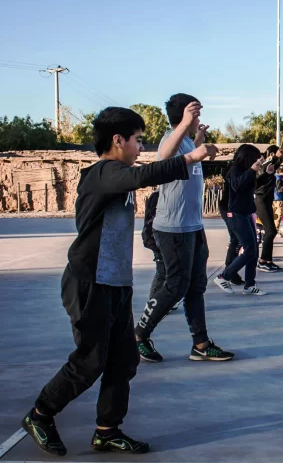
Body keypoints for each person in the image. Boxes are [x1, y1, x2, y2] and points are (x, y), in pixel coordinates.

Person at [21, 107, 218, 457]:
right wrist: (190, 156)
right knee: (90, 360)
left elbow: (147, 172)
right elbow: (146, 176)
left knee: (124, 359)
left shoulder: (117, 172)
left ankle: (107, 430)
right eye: (138, 140)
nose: (141, 148)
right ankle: (40, 414)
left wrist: (192, 139)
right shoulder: (103, 173)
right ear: (118, 140)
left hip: (114, 281)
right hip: (88, 282)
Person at [135, 93, 234, 364]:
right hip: (173, 227)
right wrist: (187, 130)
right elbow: (165, 157)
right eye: (196, 115)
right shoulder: (171, 138)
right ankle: (139, 335)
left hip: (192, 225)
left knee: (195, 287)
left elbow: (188, 156)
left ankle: (200, 344)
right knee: (175, 286)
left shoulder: (187, 140)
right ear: (184, 116)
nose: (199, 119)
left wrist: (198, 137)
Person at [214, 145, 267, 295]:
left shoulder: (246, 171)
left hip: (246, 213)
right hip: (236, 214)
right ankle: (223, 276)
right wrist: (252, 170)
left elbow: (251, 187)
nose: (258, 161)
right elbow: (237, 185)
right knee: (248, 248)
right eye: (256, 157)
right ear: (248, 157)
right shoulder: (234, 169)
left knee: (254, 250)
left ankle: (249, 284)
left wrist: (266, 174)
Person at [256, 145, 283, 272]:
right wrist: (276, 157)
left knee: (272, 230)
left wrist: (281, 156)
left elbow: (275, 164)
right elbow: (269, 165)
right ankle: (263, 261)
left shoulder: (271, 165)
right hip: (260, 200)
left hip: (267, 201)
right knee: (270, 231)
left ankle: (268, 260)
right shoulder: (265, 164)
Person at [219, 162, 244, 285]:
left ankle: (230, 270)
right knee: (235, 239)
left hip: (231, 208)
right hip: (229, 209)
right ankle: (229, 271)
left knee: (235, 240)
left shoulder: (235, 170)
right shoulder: (235, 171)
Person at [273, 166, 283, 235]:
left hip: (275, 198)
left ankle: (275, 229)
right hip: (278, 198)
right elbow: (279, 189)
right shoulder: (279, 179)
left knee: (275, 215)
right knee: (278, 215)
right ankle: (276, 230)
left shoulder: (274, 177)